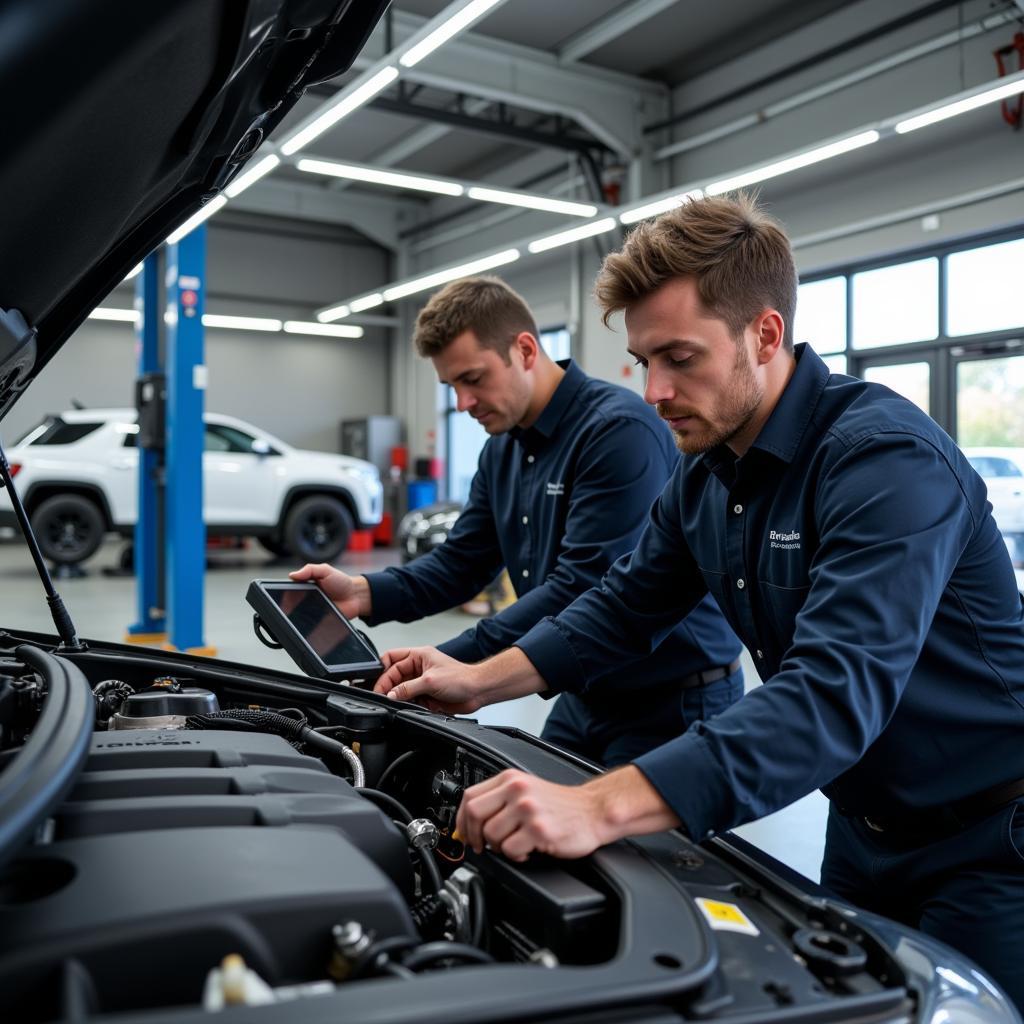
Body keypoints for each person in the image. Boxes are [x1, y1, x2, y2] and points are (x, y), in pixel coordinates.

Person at [374, 195, 1024, 1009]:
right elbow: (622, 606)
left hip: (993, 844)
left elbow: (831, 693)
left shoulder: (882, 459)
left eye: (679, 357)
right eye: (645, 360)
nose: (655, 390)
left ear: (764, 334)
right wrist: (474, 677)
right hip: (863, 830)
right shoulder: (707, 472)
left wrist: (599, 803)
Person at [293, 275, 742, 766]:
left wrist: (451, 660)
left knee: (638, 845)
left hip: (672, 701)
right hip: (582, 691)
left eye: (473, 378)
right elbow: (461, 563)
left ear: (525, 350)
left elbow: (582, 585)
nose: (462, 404)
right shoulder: (502, 450)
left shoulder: (618, 432)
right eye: (451, 387)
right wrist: (364, 592)